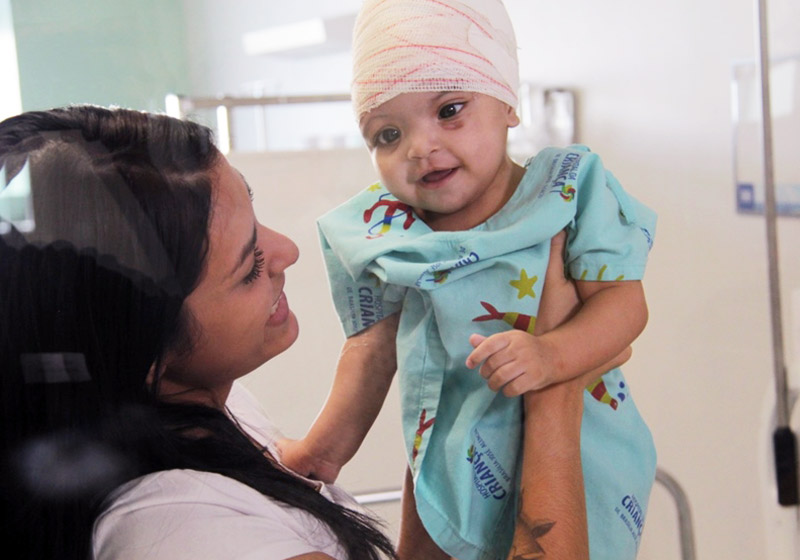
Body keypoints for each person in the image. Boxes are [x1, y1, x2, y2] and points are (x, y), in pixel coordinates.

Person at [0, 105, 594, 560]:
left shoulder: (216, 408)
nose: (285, 251)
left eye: (256, 219)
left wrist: (429, 368)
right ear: (141, 353)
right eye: (249, 265)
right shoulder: (181, 533)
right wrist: (555, 387)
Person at [279, 1, 658, 559]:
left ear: (508, 102)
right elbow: (370, 349)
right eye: (387, 134)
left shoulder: (570, 194)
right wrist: (322, 451)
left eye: (450, 110)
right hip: (449, 453)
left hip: (578, 446)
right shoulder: (390, 229)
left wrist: (552, 356)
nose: (419, 147)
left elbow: (625, 309)